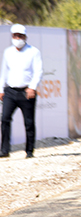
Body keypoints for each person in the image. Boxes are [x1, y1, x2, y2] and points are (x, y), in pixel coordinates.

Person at [0, 24, 43, 158]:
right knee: (5, 119)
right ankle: (4, 150)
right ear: (12, 36)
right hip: (10, 91)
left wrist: (32, 87)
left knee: (29, 122)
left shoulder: (33, 52)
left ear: (25, 37)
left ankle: (29, 151)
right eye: (15, 36)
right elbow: (4, 72)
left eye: (20, 36)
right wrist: (1, 89)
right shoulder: (8, 52)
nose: (17, 38)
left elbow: (38, 71)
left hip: (26, 91)